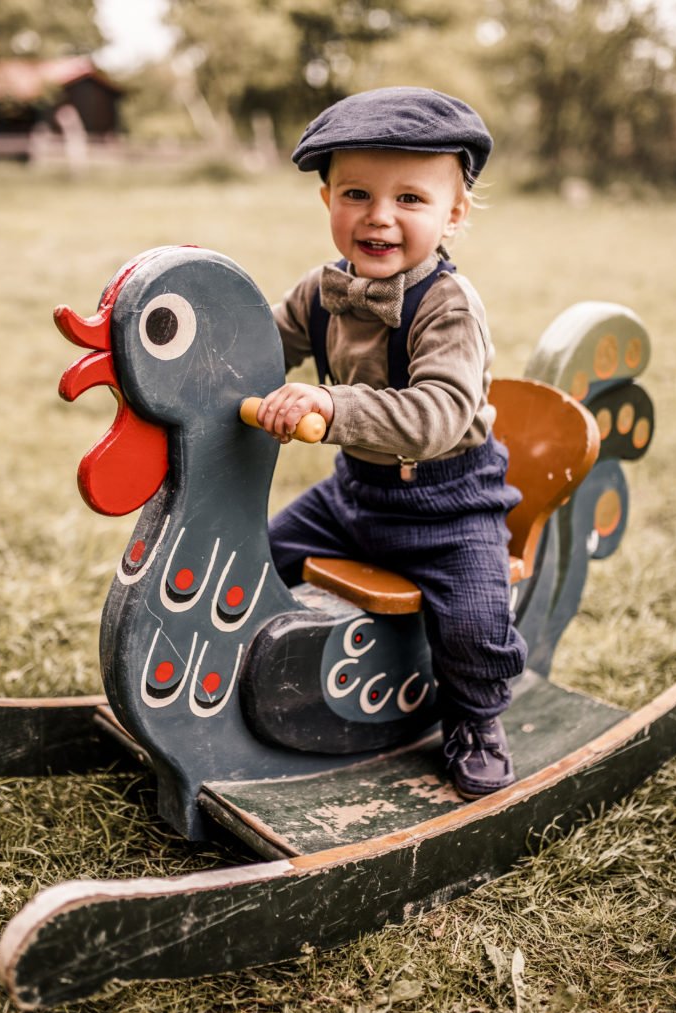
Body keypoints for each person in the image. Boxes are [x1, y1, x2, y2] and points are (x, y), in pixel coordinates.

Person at [255, 86, 527, 799]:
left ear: (454, 213)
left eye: (411, 198)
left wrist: (329, 402)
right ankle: (246, 667)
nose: (379, 216)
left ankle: (473, 719)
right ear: (328, 203)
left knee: (472, 621)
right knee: (256, 552)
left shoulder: (447, 306)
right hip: (356, 493)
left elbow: (437, 412)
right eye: (357, 193)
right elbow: (259, 351)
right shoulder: (321, 291)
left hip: (449, 500)